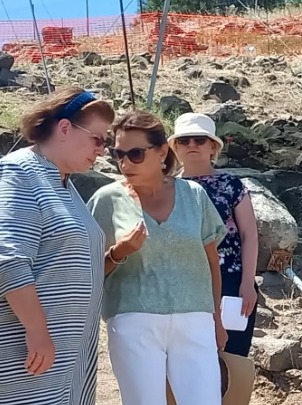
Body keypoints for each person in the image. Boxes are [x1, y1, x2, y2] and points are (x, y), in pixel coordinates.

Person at [0, 86, 115, 405]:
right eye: (98, 139)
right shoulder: (18, 171)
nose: (102, 150)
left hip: (53, 362)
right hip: (18, 355)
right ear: (64, 128)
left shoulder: (63, 184)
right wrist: (37, 331)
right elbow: (5, 261)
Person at [87, 111, 227, 405]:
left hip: (196, 318)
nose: (125, 163)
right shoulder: (106, 200)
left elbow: (212, 263)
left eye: (136, 154)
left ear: (162, 151)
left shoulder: (194, 195)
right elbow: (87, 271)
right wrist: (118, 253)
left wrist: (216, 318)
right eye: (119, 154)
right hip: (132, 319)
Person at [169, 112, 259, 357]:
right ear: (175, 147)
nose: (191, 145)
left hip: (230, 280)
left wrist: (247, 282)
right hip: (182, 282)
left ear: (212, 147)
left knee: (230, 356)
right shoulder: (166, 187)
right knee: (185, 358)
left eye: (199, 140)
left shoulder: (232, 185)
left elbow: (249, 235)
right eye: (184, 140)